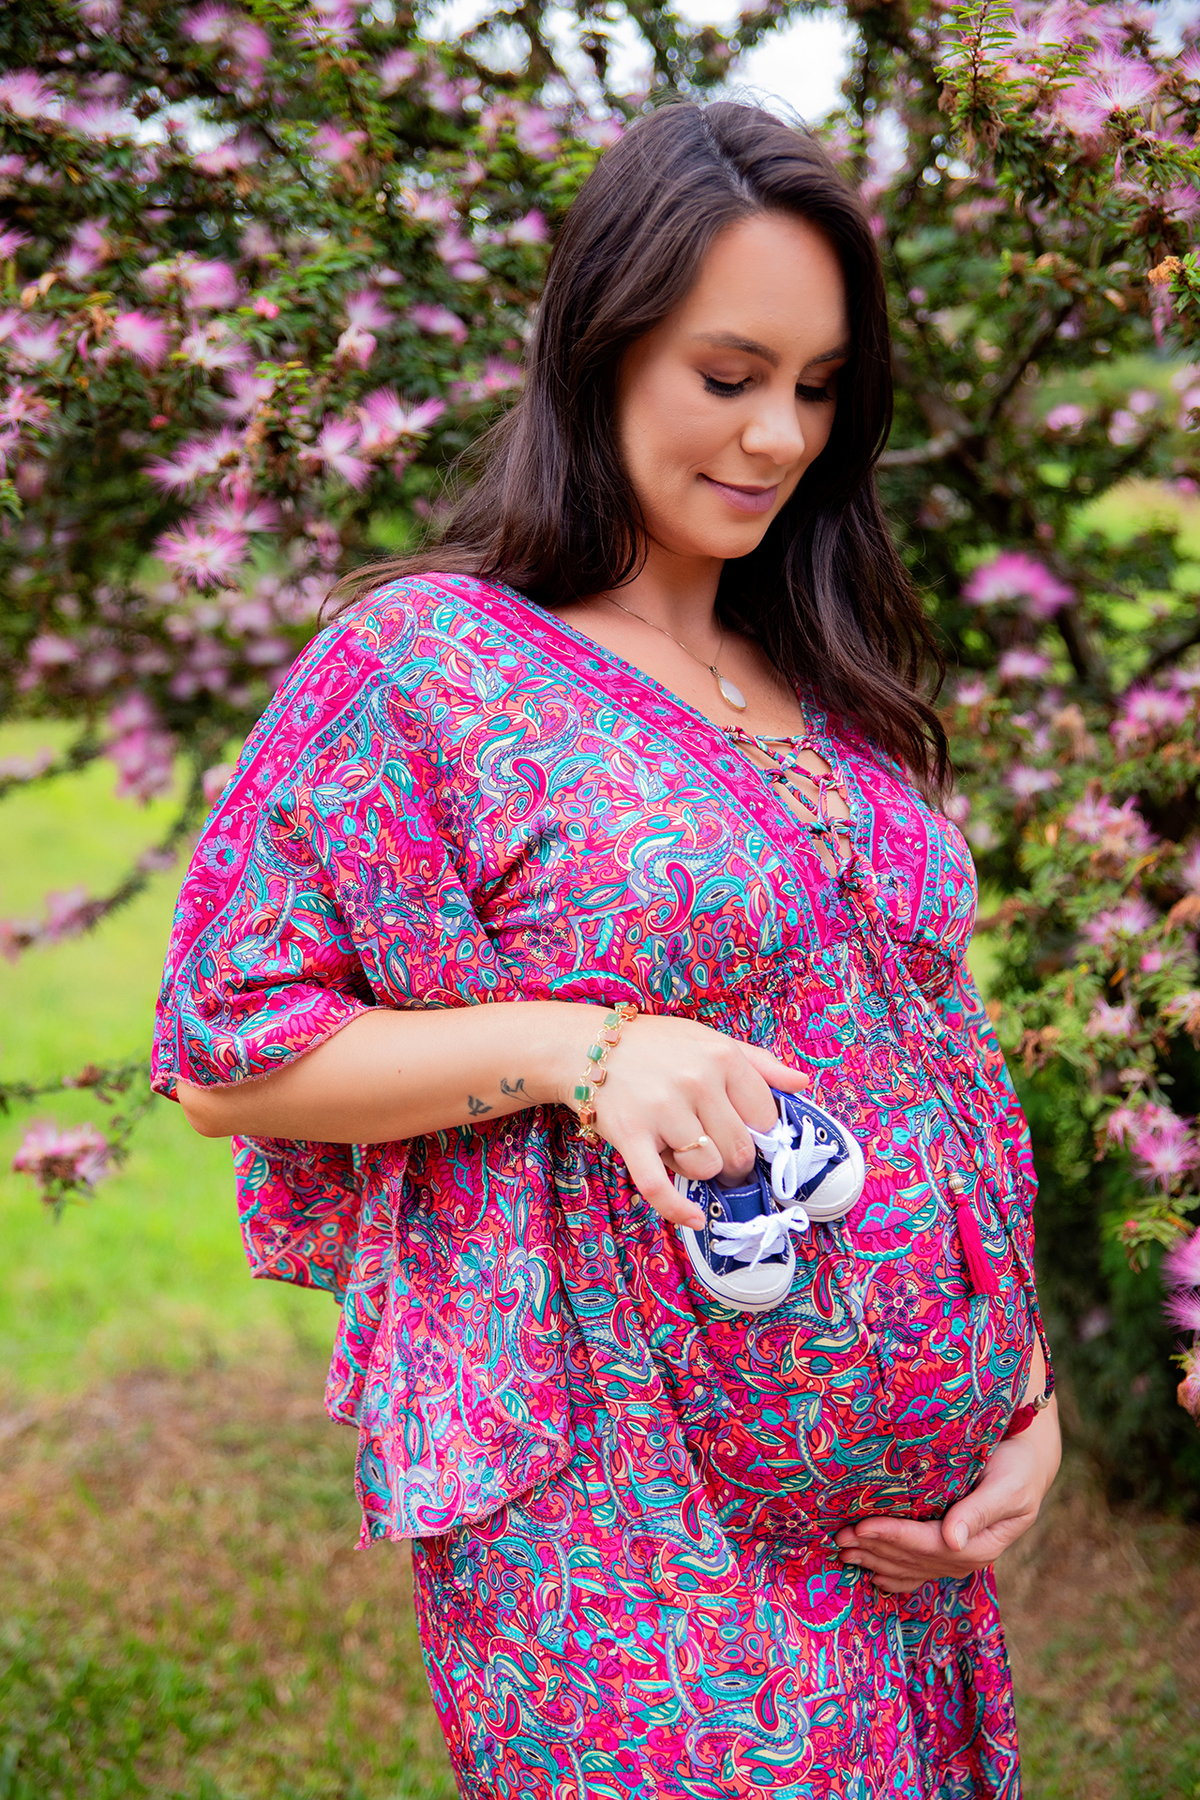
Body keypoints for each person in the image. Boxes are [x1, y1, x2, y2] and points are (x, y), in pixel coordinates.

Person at [154, 99, 1060, 1798]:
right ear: (602, 347)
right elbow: (227, 1051)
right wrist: (589, 1047)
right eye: (728, 376)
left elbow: (928, 1051)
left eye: (818, 386)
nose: (778, 434)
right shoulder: (434, 668)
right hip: (628, 1533)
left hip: (911, 1549)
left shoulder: (829, 684)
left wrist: (1019, 1389)